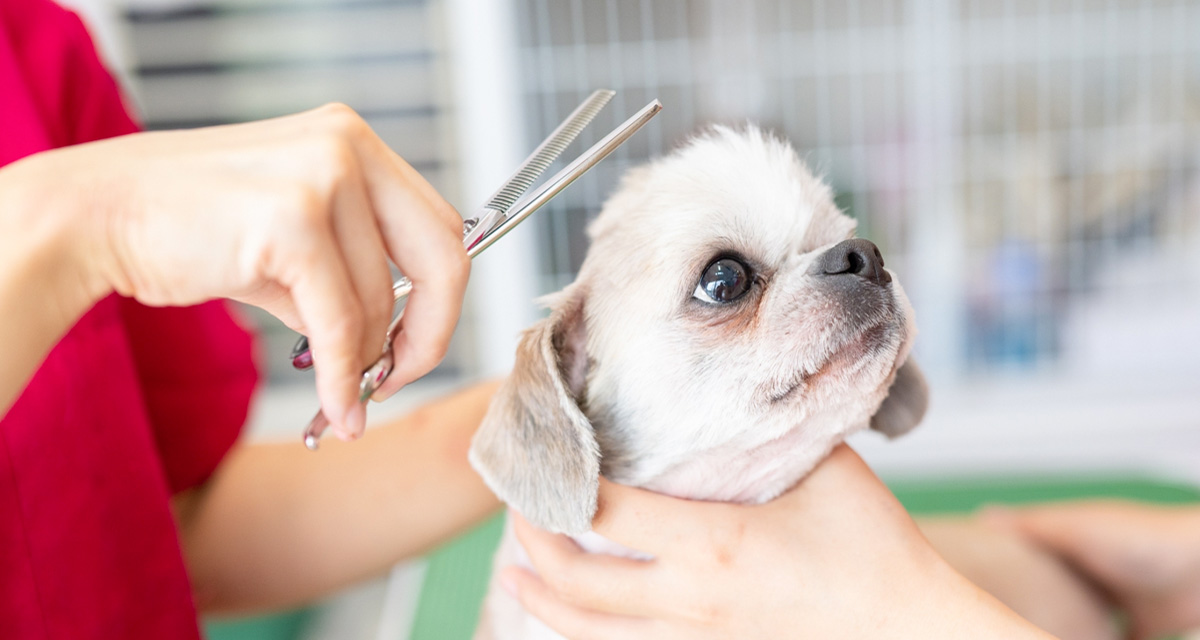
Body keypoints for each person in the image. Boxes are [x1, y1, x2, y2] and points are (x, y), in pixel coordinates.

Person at [4, 2, 1189, 640]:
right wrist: (76, 226)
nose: (849, 270)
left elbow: (181, 524)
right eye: (728, 281)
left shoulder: (37, 54)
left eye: (840, 250)